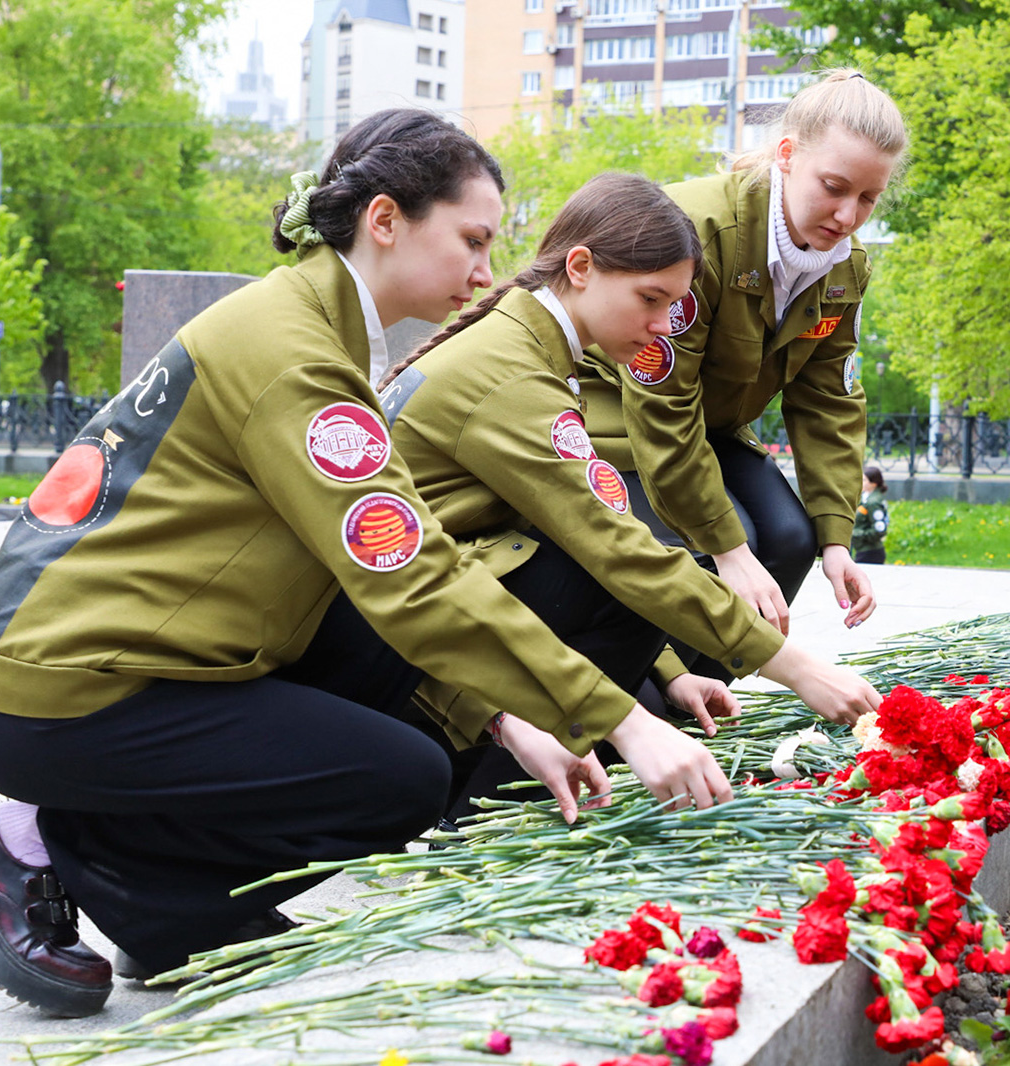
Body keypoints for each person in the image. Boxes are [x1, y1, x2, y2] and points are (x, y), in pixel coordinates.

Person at [0, 110, 729, 1019]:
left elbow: (407, 558)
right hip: (57, 692)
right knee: (398, 777)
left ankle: (158, 910)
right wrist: (623, 720)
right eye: (472, 239)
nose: (488, 271)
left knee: (393, 682)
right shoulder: (296, 351)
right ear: (385, 220)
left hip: (127, 658)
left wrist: (507, 714)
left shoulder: (313, 323)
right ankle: (37, 849)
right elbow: (411, 579)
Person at [375, 173, 883, 806]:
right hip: (402, 654)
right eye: (650, 298)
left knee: (640, 658)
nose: (662, 325)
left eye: (673, 304)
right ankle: (489, 804)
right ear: (581, 268)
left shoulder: (527, 346)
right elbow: (618, 552)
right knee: (624, 576)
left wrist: (668, 674)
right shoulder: (513, 378)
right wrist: (796, 667)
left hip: (438, 606)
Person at [576, 70, 907, 670]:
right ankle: (642, 703)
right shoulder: (698, 233)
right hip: (613, 413)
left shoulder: (845, 267)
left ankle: (701, 706)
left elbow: (828, 399)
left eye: (868, 198)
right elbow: (659, 404)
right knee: (730, 550)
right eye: (833, 187)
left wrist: (837, 537)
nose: (847, 214)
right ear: (786, 154)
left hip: (712, 428)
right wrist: (727, 549)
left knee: (791, 539)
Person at [852, 464, 890, 565]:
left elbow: (879, 530)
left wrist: (857, 534)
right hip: (863, 550)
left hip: (870, 552)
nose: (861, 483)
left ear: (874, 483)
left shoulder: (873, 502)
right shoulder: (866, 497)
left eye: (864, 480)